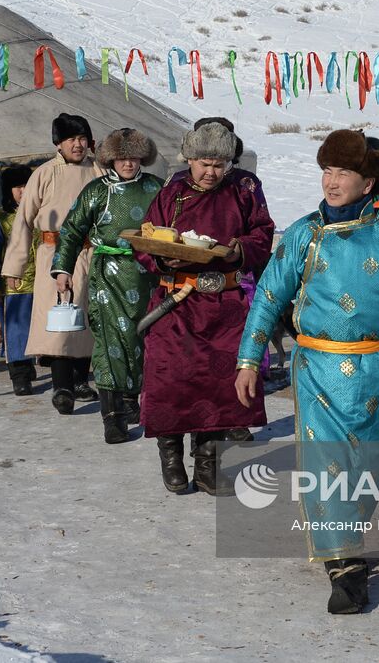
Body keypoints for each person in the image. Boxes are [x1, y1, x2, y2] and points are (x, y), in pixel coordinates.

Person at [234, 130, 379, 615]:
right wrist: (249, 359)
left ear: (369, 182)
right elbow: (268, 299)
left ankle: (348, 542)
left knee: (369, 468)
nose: (332, 182)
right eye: (328, 171)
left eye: (344, 174)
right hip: (319, 369)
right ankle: (345, 569)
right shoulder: (303, 235)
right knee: (326, 464)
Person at [134, 121, 274, 495]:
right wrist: (165, 260)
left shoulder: (245, 189)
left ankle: (209, 465)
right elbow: (146, 239)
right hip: (176, 302)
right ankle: (171, 457)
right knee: (172, 380)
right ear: (190, 159)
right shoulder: (173, 191)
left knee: (219, 386)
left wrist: (239, 249)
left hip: (225, 304)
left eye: (219, 164)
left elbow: (262, 233)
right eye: (204, 163)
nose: (211, 172)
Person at [52, 128, 162, 443]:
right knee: (110, 341)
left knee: (144, 339)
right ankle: (112, 420)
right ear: (111, 158)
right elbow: (72, 229)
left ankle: (133, 403)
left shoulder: (157, 188)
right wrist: (63, 269)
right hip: (109, 275)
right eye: (121, 157)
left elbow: (175, 228)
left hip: (150, 274)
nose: (128, 163)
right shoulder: (97, 190)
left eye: (133, 157)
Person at [2, 113, 101, 414]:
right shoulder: (44, 174)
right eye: (72, 139)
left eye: (82, 139)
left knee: (88, 317)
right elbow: (23, 221)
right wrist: (14, 268)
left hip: (91, 252)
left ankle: (82, 380)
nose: (78, 144)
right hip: (53, 252)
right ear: (59, 142)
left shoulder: (99, 171)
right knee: (60, 320)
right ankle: (62, 387)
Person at [0, 164, 40, 396]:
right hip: (14, 285)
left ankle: (40, 368)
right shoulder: (0, 218)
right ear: (8, 190)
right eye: (17, 186)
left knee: (43, 329)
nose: (23, 190)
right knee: (17, 331)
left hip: (44, 283)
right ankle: (20, 376)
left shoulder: (42, 214)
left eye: (27, 185)